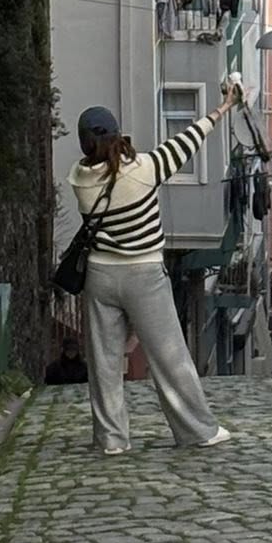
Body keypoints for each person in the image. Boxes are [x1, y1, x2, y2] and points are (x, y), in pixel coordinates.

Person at [69, 85, 236, 454]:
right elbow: (188, 140)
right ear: (117, 136)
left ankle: (111, 439)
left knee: (104, 364)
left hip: (100, 275)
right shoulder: (144, 169)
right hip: (144, 274)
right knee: (169, 356)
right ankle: (197, 430)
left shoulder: (78, 180)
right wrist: (222, 108)